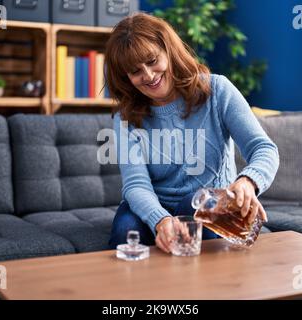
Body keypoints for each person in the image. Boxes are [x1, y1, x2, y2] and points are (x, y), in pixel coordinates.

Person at [104, 12, 279, 253]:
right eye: (135, 71)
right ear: (126, 78)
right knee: (126, 231)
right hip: (154, 203)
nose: (149, 75)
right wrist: (161, 220)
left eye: (153, 60)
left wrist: (248, 181)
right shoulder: (125, 116)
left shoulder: (217, 90)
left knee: (192, 204)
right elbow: (136, 185)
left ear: (169, 50)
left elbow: (263, 148)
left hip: (209, 203)